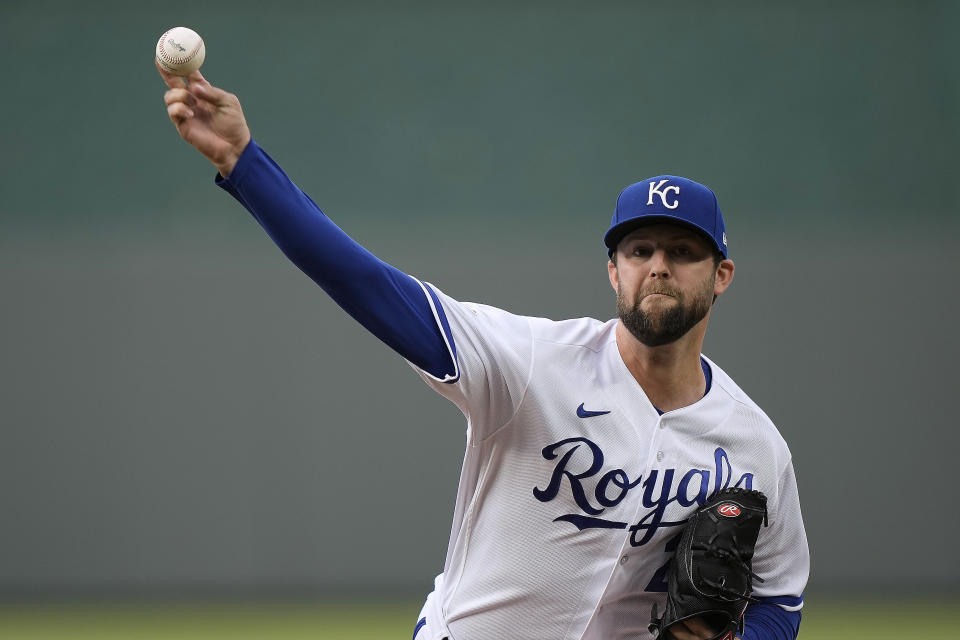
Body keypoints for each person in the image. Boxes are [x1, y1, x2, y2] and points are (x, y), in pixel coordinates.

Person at [157, 62, 809, 640]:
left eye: (683, 252)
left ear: (721, 275)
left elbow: (780, 596)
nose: (658, 267)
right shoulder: (529, 362)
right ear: (614, 271)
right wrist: (245, 163)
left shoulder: (755, 447)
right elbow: (364, 283)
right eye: (640, 251)